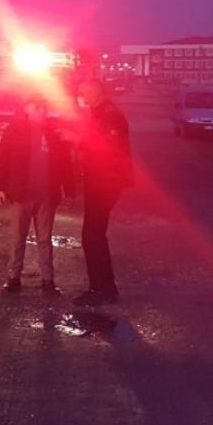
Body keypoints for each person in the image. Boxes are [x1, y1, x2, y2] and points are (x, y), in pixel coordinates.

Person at [0, 94, 75, 296]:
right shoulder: (15, 130)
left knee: (45, 239)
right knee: (17, 238)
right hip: (21, 194)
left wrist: (70, 190)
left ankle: (48, 281)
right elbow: (2, 158)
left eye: (41, 107)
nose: (39, 111)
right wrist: (0, 187)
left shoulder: (54, 132)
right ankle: (13, 278)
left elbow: (65, 163)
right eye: (35, 107)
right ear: (27, 109)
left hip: (46, 195)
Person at [74, 78, 133, 306]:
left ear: (93, 91)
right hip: (100, 182)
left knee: (93, 236)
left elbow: (105, 148)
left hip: (104, 183)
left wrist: (77, 141)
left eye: (83, 92)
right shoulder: (100, 112)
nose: (81, 98)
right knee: (94, 235)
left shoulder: (108, 114)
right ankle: (104, 287)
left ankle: (102, 290)